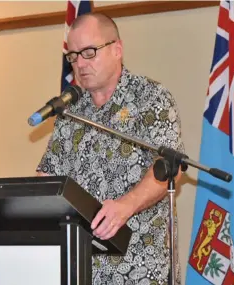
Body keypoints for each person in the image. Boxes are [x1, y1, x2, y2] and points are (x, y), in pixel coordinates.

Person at [37, 12, 185, 285]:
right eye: (73, 56)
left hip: (138, 267)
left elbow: (166, 172)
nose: (79, 64)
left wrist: (124, 207)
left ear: (117, 49)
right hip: (79, 267)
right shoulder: (70, 110)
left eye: (89, 52)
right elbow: (48, 177)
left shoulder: (150, 98)